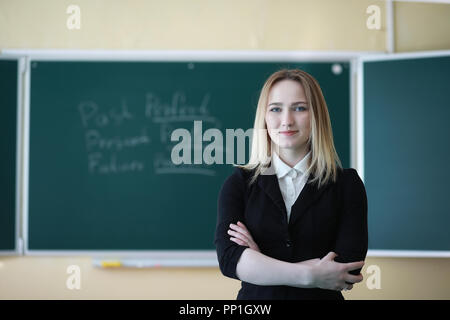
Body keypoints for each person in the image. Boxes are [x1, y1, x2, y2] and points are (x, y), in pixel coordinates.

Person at [214, 69, 368, 300]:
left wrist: (262, 262)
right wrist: (310, 276)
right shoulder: (240, 183)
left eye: (299, 108)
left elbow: (347, 269)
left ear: (316, 115)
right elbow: (229, 260)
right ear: (264, 117)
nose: (286, 120)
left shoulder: (346, 185)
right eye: (276, 108)